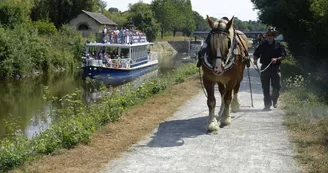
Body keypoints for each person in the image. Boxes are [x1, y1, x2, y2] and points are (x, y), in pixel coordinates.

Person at [253, 27, 286, 111]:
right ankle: (267, 105)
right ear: (266, 36)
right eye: (268, 35)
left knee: (277, 86)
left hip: (275, 68)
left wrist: (277, 59)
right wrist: (255, 59)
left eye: (271, 35)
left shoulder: (279, 45)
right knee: (265, 87)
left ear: (274, 36)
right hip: (265, 67)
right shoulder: (262, 45)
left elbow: (283, 56)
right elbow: (256, 53)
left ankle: (274, 100)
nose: (269, 37)